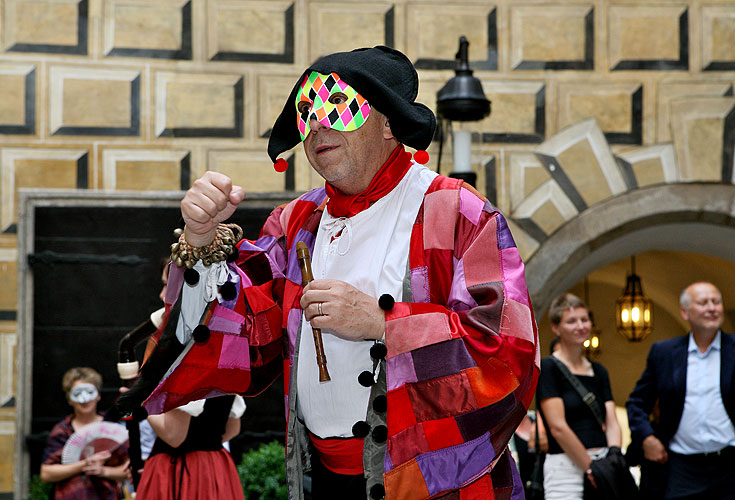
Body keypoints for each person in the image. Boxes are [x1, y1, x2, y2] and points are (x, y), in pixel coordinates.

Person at [117, 45, 538, 499]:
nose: (318, 124)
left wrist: (382, 323)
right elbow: (241, 327)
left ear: (390, 124)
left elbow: (506, 350)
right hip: (324, 481)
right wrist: (200, 240)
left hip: (437, 483)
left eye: (337, 106)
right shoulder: (296, 222)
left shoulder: (457, 211)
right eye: (306, 111)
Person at [627, 281, 735, 500]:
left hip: (730, 464)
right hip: (680, 467)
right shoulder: (664, 353)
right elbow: (637, 403)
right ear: (685, 312)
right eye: (703, 303)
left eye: (716, 302)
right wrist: (647, 438)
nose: (712, 308)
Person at [537, 293, 622, 499]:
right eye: (572, 321)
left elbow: (611, 420)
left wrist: (614, 455)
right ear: (556, 328)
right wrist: (589, 467)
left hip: (602, 459)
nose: (581, 326)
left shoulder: (599, 371)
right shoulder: (548, 368)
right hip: (565, 466)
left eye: (585, 319)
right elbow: (557, 427)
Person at [41, 367, 131, 500]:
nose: (84, 399)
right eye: (77, 393)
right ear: (69, 399)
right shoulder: (62, 430)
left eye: (89, 392)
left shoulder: (112, 428)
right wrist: (85, 464)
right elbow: (46, 474)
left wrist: (104, 471)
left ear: (98, 395)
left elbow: (128, 469)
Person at [134, 395, 246, 499]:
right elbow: (232, 430)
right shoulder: (229, 374)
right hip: (214, 465)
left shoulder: (183, 374)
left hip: (178, 470)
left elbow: (173, 436)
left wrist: (142, 399)